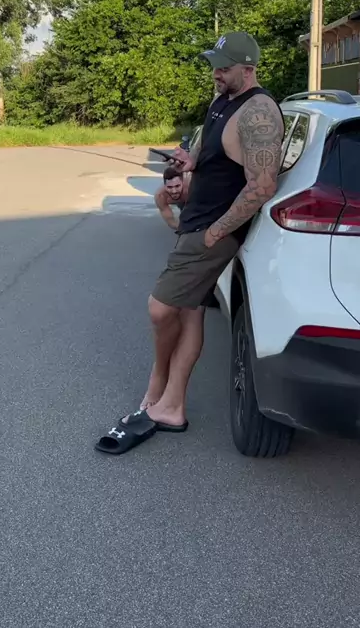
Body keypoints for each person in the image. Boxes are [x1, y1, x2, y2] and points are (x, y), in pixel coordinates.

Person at [96, 32, 284, 454]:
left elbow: (262, 185)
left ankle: (159, 387)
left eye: (224, 67)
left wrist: (217, 232)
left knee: (160, 308)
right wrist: (191, 162)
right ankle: (171, 405)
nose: (216, 73)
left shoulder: (259, 112)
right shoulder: (223, 99)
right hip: (197, 221)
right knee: (191, 312)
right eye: (214, 65)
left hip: (211, 231)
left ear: (248, 69)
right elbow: (213, 150)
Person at [154, 166, 191, 231]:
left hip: (191, 197)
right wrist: (181, 228)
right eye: (169, 187)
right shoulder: (160, 196)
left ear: (183, 182)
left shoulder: (191, 188)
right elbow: (170, 220)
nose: (174, 191)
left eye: (177, 186)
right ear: (165, 185)